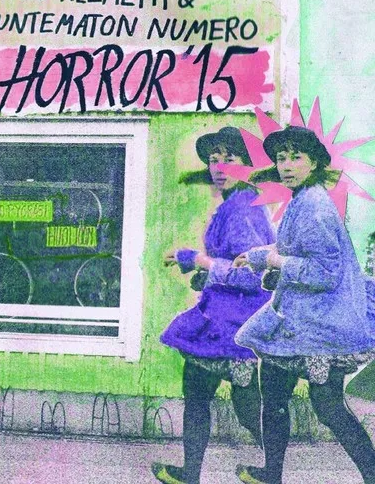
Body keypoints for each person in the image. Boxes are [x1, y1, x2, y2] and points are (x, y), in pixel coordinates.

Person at [234, 126, 375, 484]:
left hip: (322, 325)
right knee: (274, 393)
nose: (286, 165)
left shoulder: (315, 207)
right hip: (297, 321)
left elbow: (324, 273)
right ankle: (272, 474)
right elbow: (291, 249)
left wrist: (275, 262)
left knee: (328, 407)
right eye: (281, 158)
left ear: (314, 163)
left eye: (296, 157)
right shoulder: (302, 198)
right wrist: (256, 257)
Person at [152, 127, 275, 484]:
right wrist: (204, 276)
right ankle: (193, 473)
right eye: (213, 159)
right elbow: (231, 265)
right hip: (223, 319)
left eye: (229, 159)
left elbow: (253, 275)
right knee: (209, 397)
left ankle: (275, 472)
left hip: (232, 326)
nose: (219, 167)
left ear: (247, 165)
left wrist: (198, 260)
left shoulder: (242, 209)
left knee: (240, 407)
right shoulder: (236, 204)